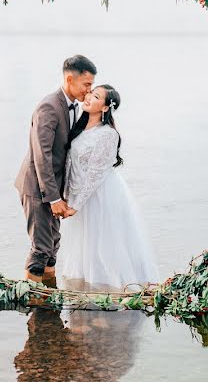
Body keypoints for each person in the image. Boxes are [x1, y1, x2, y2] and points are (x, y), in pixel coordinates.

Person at [56, 84, 159, 290]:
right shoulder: (79, 126)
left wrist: (76, 204)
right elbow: (70, 164)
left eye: (95, 97)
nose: (87, 98)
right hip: (78, 194)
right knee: (85, 246)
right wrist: (65, 195)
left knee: (104, 242)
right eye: (89, 94)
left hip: (99, 194)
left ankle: (108, 289)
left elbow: (95, 174)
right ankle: (85, 290)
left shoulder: (107, 134)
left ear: (105, 108)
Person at [14, 55, 96, 284]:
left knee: (54, 244)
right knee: (41, 248)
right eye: (86, 85)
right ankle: (34, 303)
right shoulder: (49, 107)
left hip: (54, 189)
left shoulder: (74, 108)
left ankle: (49, 299)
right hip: (37, 188)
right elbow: (42, 156)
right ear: (70, 79)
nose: (89, 91)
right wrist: (52, 198)